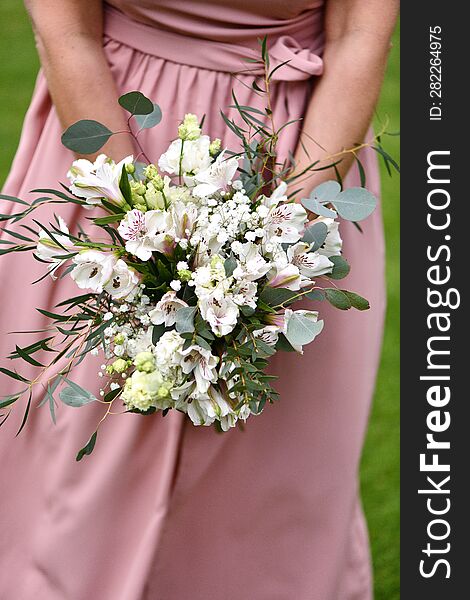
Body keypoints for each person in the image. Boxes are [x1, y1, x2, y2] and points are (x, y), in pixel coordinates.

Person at [0, 1, 398, 598]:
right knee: (81, 474)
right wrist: (137, 216)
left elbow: (360, 32)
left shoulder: (292, 215)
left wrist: (274, 240)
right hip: (113, 135)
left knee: (264, 490)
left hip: (302, 160)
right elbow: (68, 29)